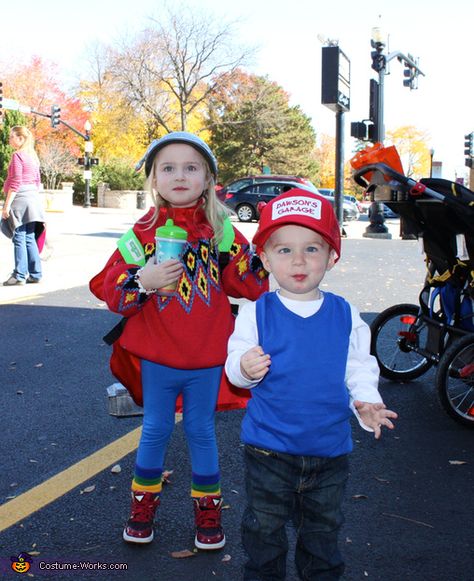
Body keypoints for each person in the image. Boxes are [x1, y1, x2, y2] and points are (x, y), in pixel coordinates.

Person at [89, 132, 268, 548]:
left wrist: (267, 251)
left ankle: (208, 516)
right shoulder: (142, 233)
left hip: (206, 356)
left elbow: (249, 284)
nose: (180, 175)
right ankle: (142, 509)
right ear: (154, 179)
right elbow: (106, 286)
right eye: (168, 168)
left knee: (202, 432)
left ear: (208, 178)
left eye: (191, 167)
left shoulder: (221, 232)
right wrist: (143, 280)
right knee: (154, 429)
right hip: (158, 355)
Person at [225, 188, 397, 580]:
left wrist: (366, 401)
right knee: (264, 534)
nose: (298, 260)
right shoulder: (256, 313)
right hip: (269, 450)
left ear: (333, 256)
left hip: (329, 452)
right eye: (283, 250)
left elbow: (358, 366)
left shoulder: (344, 313)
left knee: (322, 537)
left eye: (312, 248)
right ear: (265, 259)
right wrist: (244, 368)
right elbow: (234, 364)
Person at [1, 126, 45, 286]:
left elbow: (16, 182)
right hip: (33, 198)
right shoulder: (33, 157)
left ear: (21, 139)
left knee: (19, 236)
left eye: (12, 137)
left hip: (20, 198)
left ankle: (19, 275)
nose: (9, 139)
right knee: (29, 237)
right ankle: (35, 273)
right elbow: (37, 182)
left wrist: (6, 206)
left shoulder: (17, 156)